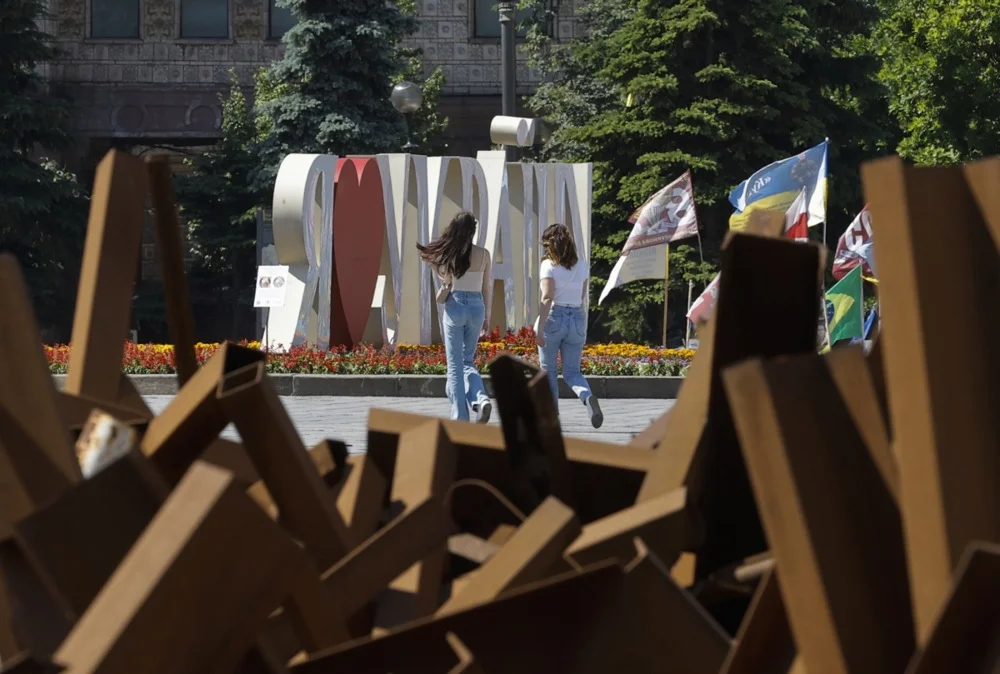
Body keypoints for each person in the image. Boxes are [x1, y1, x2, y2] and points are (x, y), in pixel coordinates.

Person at [417, 211, 493, 423]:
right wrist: (486, 316)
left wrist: (440, 274)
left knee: (455, 365)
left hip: (456, 306)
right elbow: (486, 288)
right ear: (473, 231)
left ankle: (460, 416)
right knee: (468, 360)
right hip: (477, 307)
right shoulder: (484, 254)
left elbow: (443, 276)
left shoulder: (452, 254)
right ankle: (480, 398)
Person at [535, 223, 603, 428]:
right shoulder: (582, 264)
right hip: (577, 318)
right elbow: (581, 295)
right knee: (572, 372)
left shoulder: (548, 265)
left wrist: (540, 328)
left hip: (555, 317)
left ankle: (551, 417)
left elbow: (547, 297)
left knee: (548, 371)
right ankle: (587, 396)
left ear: (550, 245)